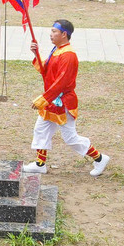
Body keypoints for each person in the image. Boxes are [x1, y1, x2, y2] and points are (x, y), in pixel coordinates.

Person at [22, 19, 110, 176]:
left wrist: (43, 99)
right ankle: (40, 163)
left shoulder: (68, 55)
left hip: (63, 102)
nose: (51, 34)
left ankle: (99, 158)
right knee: (41, 130)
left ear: (64, 34)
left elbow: (61, 83)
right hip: (52, 101)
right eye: (51, 31)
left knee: (70, 138)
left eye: (54, 32)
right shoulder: (56, 50)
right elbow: (46, 71)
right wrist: (36, 54)